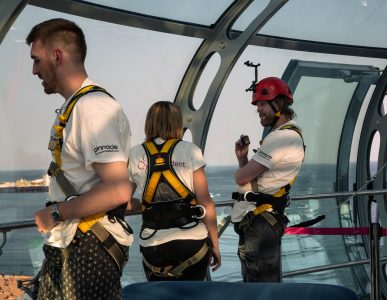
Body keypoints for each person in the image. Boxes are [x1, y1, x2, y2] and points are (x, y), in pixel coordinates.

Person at [27, 18, 133, 299]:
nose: (34, 70)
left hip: (88, 246)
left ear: (57, 55)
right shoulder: (76, 106)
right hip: (72, 242)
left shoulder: (92, 108)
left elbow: (119, 189)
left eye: (37, 60)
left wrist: (55, 213)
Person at [127, 101, 221, 280]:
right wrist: (215, 245)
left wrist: (143, 205)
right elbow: (205, 201)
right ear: (177, 123)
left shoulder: (134, 154)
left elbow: (123, 201)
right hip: (193, 242)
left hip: (154, 245)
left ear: (149, 123)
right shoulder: (190, 150)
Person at [231, 77, 305, 282]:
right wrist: (242, 157)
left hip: (260, 225)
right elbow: (251, 178)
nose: (258, 109)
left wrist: (242, 167)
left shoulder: (281, 138)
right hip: (261, 222)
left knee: (259, 289)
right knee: (262, 286)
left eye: (263, 104)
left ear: (279, 103)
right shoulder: (284, 135)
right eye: (257, 105)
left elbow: (242, 176)